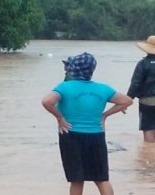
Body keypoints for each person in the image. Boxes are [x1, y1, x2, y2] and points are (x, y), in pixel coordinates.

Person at [42, 52, 133, 195]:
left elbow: (47, 101)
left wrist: (59, 118)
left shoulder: (65, 87)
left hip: (70, 135)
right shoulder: (103, 88)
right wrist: (105, 115)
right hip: (96, 135)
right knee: (101, 178)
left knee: (76, 179)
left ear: (73, 70)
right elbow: (127, 101)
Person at [127, 35, 155, 143]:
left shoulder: (143, 64)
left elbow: (136, 84)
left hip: (147, 102)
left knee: (148, 127)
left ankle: (149, 154)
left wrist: (128, 99)